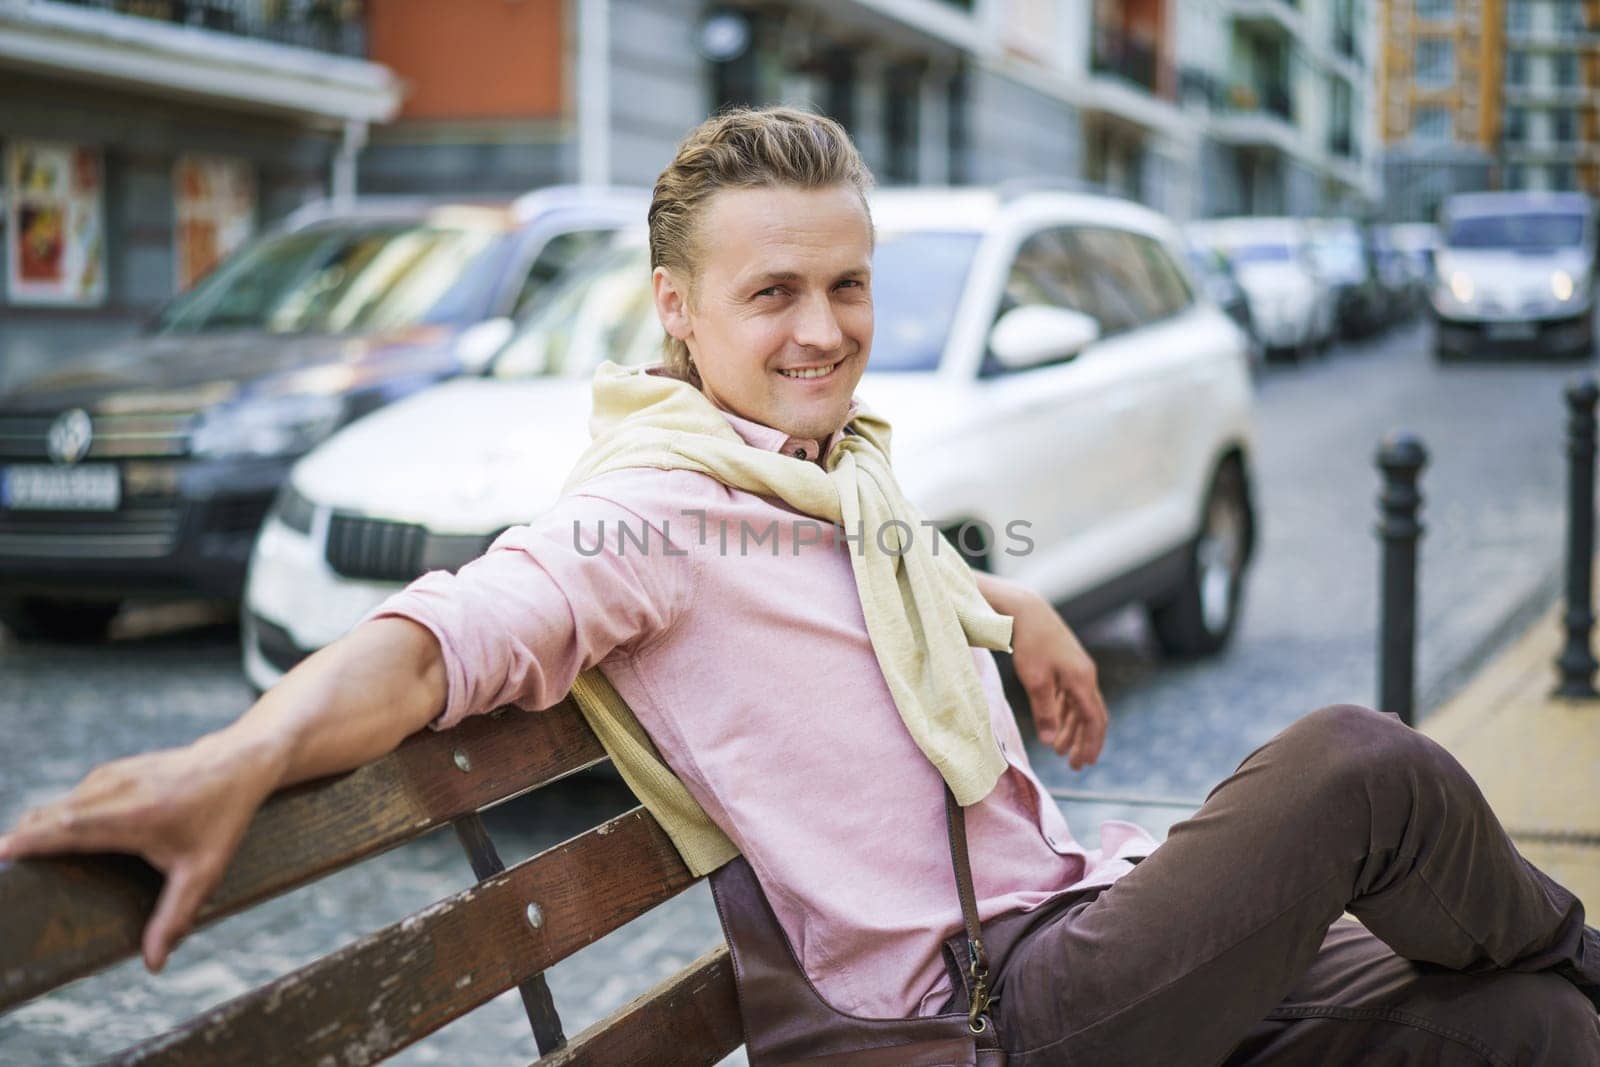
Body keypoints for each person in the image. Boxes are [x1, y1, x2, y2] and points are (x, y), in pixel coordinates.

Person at [3, 107, 1597, 1066]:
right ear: (678, 314)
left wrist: (1013, 609)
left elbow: (877, 582)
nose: (823, 328)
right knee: (1355, 764)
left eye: (847, 284)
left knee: (1527, 1035)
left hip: (1071, 916)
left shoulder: (840, 475)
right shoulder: (653, 512)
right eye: (773, 294)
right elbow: (436, 643)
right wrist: (238, 758)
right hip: (980, 1018)